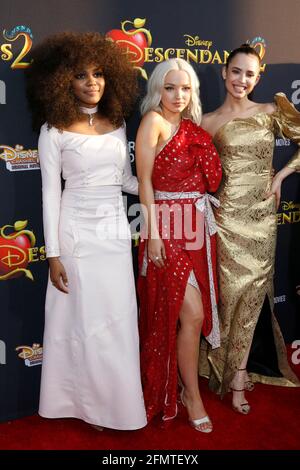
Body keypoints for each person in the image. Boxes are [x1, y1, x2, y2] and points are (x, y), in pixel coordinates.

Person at [26, 31, 146, 430]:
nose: (92, 82)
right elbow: (49, 194)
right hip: (76, 234)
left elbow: (126, 180)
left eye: (98, 73)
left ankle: (117, 404)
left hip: (114, 234)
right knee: (84, 325)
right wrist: (54, 254)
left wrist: (162, 184)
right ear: (64, 81)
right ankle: (87, 406)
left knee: (117, 322)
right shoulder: (53, 130)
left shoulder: (118, 122)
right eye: (81, 75)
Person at [199, 44, 300, 414]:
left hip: (260, 218)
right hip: (225, 220)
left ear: (258, 78)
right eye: (236, 71)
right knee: (227, 298)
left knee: (254, 295)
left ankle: (239, 374)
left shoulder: (271, 111)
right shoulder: (207, 121)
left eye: (250, 74)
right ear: (224, 73)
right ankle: (221, 366)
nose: (242, 79)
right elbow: (199, 174)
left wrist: (283, 175)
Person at [136, 58, 222, 432]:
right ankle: (192, 396)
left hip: (196, 224)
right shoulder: (152, 121)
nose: (178, 95)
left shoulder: (191, 127)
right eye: (170, 87)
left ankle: (188, 392)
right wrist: (152, 233)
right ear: (158, 89)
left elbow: (210, 179)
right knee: (189, 313)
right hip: (166, 225)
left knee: (192, 315)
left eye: (185, 88)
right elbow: (144, 184)